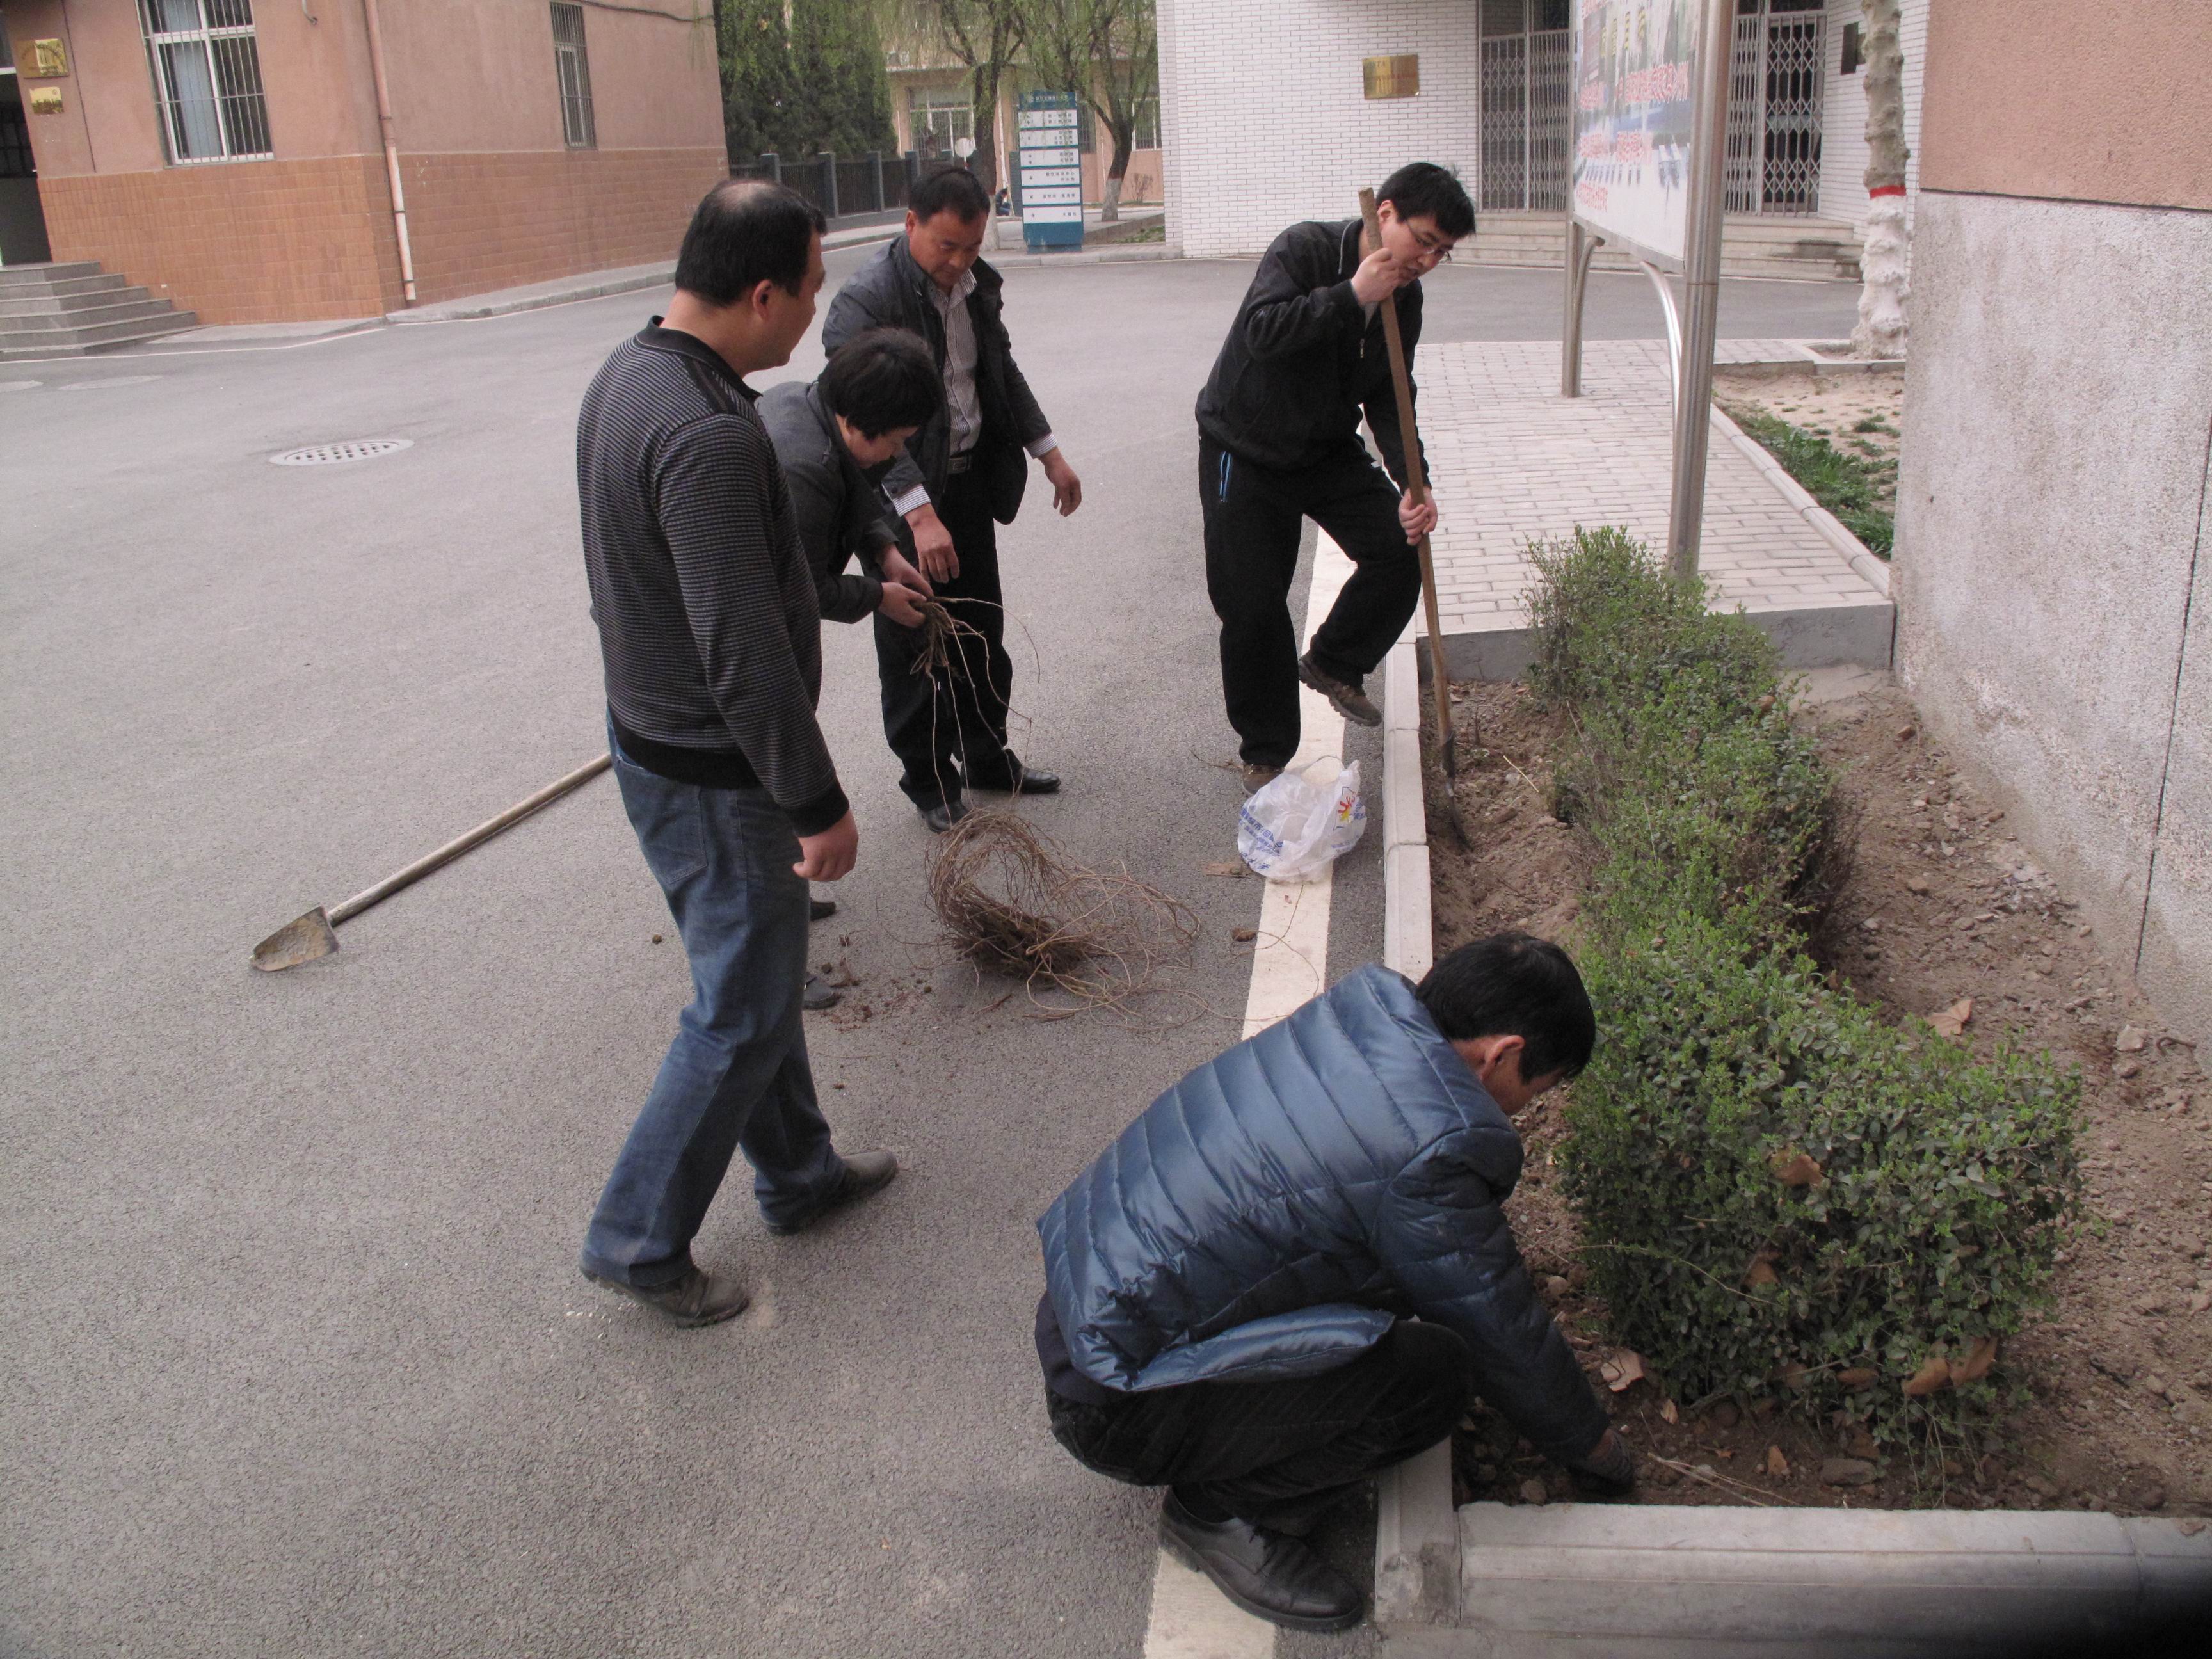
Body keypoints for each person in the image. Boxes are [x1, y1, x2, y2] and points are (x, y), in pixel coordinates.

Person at [1034, 934, 1634, 1631]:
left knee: (1391, 1290)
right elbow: (1505, 1333)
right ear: (1501, 1053)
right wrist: (1597, 1450)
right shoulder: (1430, 1147)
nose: (1524, 1111)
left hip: (1083, 1313)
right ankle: (1221, 1513)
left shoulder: (1358, 1022)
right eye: (1538, 1089)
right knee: (1435, 1377)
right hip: (1116, 1405)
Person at [573, 180, 897, 1328]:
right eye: (809, 289)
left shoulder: (632, 371)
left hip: (656, 741)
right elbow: (743, 648)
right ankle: (636, 1237)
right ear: (762, 293)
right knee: (742, 1012)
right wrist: (816, 801)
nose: (815, 310)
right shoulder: (709, 433)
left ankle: (799, 1175)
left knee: (754, 983)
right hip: (715, 772)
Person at [1195, 162, 1474, 794]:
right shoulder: (1306, 250)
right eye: (1424, 241)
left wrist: (1415, 482)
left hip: (1324, 448)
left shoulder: (1406, 297)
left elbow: (1391, 393)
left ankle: (1334, 661)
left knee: (1401, 547)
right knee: (1253, 605)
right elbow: (1261, 331)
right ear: (1386, 214)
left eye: (1442, 252)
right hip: (1245, 445)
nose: (1428, 261)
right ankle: (1266, 754)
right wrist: (1350, 294)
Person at [821, 164, 1084, 833]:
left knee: (979, 630)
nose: (960, 262)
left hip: (967, 482)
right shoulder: (866, 301)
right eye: (947, 246)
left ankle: (987, 756)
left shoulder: (976, 286)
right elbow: (869, 421)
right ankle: (930, 780)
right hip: (899, 498)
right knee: (916, 643)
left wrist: (1048, 452)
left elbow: (999, 372)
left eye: (972, 247)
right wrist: (919, 512)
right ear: (910, 223)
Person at [763, 328, 945, 1011]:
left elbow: (858, 488)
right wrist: (878, 597)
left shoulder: (809, 403)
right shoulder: (802, 469)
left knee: (770, 784)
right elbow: (801, 588)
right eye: (894, 441)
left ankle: (785, 890)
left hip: (771, 631)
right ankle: (773, 962)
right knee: (761, 788)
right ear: (854, 421)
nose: (896, 454)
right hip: (755, 647)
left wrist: (884, 550)